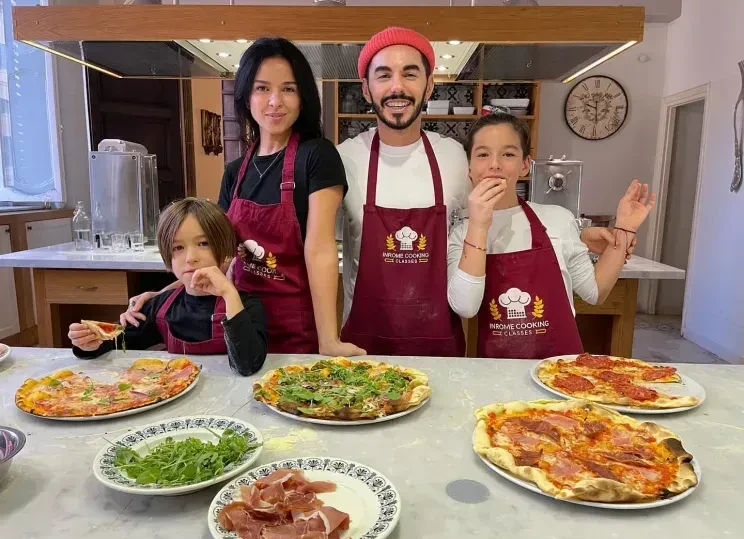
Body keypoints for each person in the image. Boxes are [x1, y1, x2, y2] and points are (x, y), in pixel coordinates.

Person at [337, 26, 629, 357]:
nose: (397, 86)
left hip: (438, 342)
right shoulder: (342, 159)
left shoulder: (453, 156)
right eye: (384, 75)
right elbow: (322, 243)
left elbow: (496, 214)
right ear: (366, 88)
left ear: (429, 86)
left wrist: (575, 234)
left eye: (410, 73)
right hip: (363, 344)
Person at [122, 37, 363, 357]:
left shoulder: (317, 156)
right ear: (246, 96)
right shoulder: (235, 172)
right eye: (262, 88)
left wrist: (328, 340)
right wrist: (161, 296)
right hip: (240, 323)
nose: (275, 101)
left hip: (296, 328)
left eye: (288, 89)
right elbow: (219, 255)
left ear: (303, 97)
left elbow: (319, 250)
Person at [447, 113, 656, 359]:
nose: (495, 164)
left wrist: (625, 228)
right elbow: (466, 307)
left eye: (508, 154)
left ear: (525, 165)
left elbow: (595, 292)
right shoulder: (462, 234)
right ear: (469, 168)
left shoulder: (558, 219)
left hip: (561, 369)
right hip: (499, 372)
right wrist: (479, 226)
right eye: (483, 154)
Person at [69, 198, 267, 376]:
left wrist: (229, 294)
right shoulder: (158, 307)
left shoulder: (247, 305)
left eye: (203, 243)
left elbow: (248, 365)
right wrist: (88, 343)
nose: (190, 258)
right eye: (178, 247)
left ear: (226, 251)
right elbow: (113, 343)